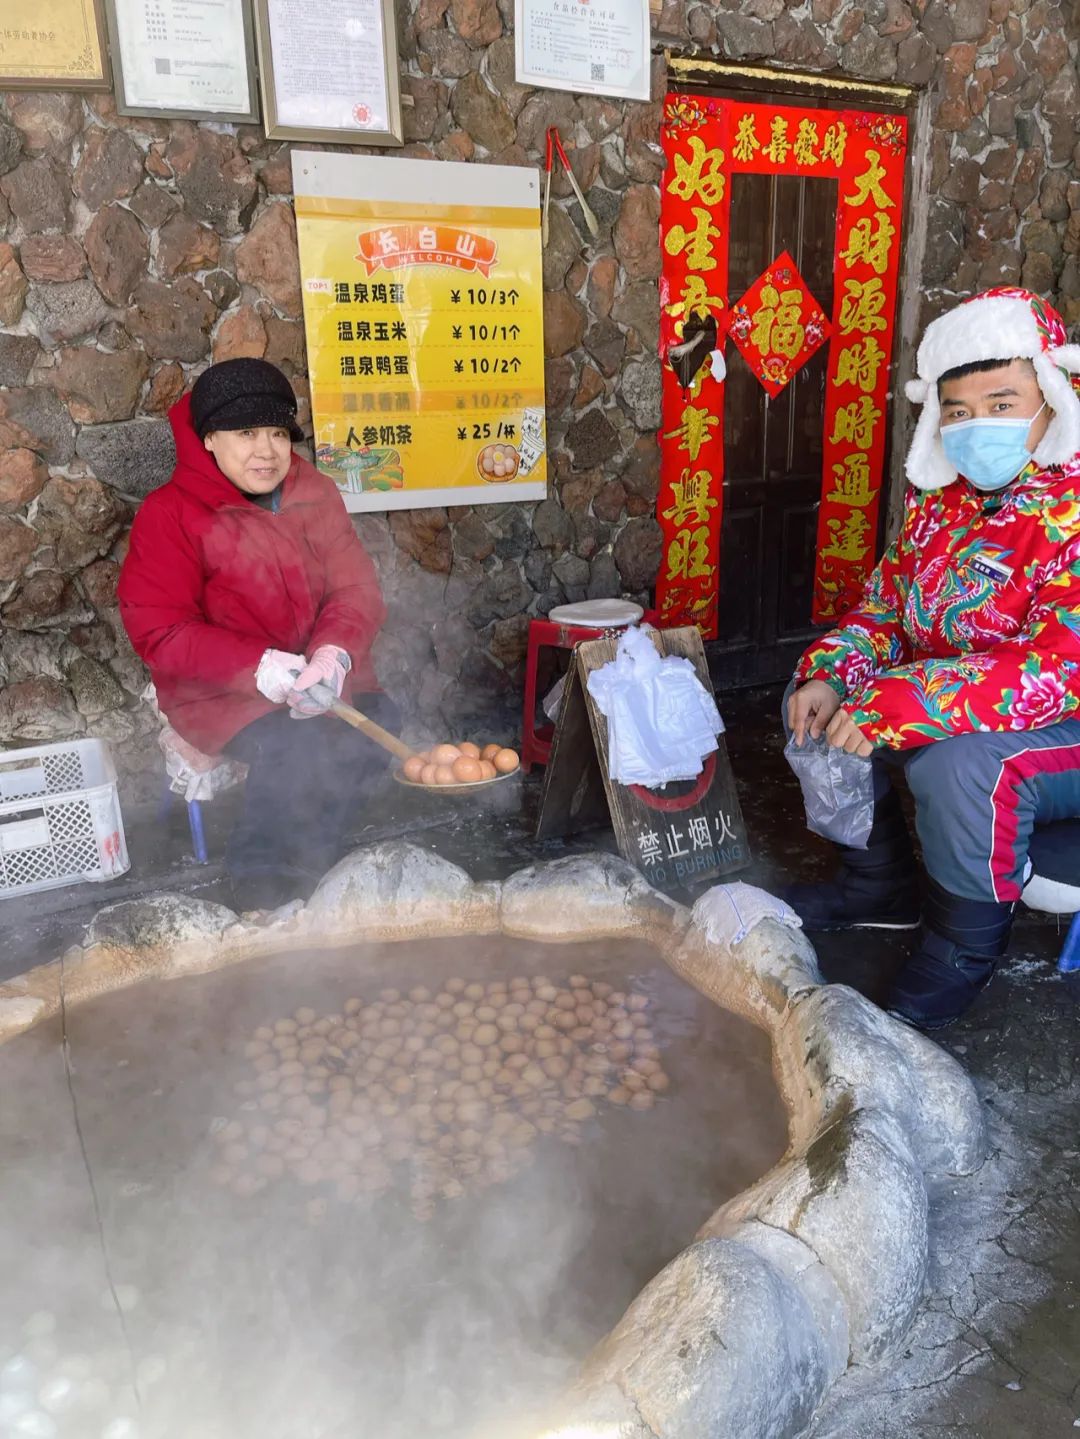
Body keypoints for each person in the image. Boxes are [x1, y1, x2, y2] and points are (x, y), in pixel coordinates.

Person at [785, 287, 1080, 1030]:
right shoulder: (941, 507)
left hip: (1064, 726)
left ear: (1050, 396)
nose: (979, 425)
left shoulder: (1071, 509)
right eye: (958, 409)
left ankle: (963, 945)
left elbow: (1059, 669)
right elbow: (885, 613)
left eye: (1003, 400)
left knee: (965, 767)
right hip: (962, 701)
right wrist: (832, 673)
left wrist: (907, 700)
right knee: (820, 695)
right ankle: (876, 883)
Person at [118, 358, 392, 911]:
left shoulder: (314, 493)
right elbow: (161, 630)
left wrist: (334, 654)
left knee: (380, 722)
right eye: (246, 433)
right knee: (298, 745)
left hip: (313, 672)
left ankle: (317, 857)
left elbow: (355, 588)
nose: (266, 451)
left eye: (277, 433)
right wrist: (261, 668)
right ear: (210, 440)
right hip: (219, 692)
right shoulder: (170, 515)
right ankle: (265, 888)